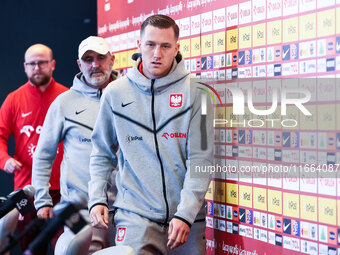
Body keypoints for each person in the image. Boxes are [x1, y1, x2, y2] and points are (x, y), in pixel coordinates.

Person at [88, 14, 213, 254]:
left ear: (176, 48)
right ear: (139, 45)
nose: (157, 54)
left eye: (165, 46)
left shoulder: (198, 93)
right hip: (135, 217)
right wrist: (97, 198)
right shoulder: (115, 92)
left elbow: (201, 160)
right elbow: (102, 153)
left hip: (186, 221)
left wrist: (186, 214)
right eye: (150, 45)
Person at [32, 36, 118, 253]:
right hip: (79, 210)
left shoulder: (128, 97)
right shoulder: (63, 103)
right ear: (80, 65)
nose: (95, 64)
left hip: (125, 210)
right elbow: (43, 155)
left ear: (112, 60)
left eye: (100, 57)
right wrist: (42, 200)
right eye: (88, 59)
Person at [0, 44, 68, 253]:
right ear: (25, 67)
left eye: (42, 62)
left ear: (52, 65)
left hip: (63, 189)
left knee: (65, 246)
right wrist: (5, 159)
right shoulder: (14, 99)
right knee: (29, 246)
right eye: (32, 63)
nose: (37, 68)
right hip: (26, 191)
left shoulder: (66, 96)